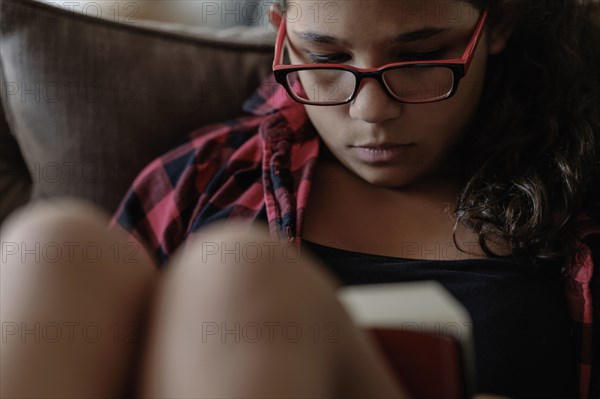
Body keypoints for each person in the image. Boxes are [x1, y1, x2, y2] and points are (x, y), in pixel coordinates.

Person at [2, 0, 599, 398]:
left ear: (495, 26)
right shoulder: (207, 174)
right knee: (52, 244)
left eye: (419, 57)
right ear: (280, 31)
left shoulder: (578, 190)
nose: (371, 111)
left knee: (237, 271)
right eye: (326, 58)